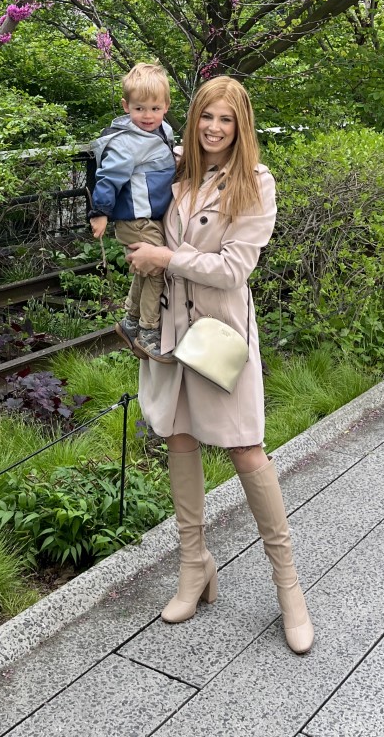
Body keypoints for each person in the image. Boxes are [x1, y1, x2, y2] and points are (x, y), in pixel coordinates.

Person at [127, 75, 314, 654]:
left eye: (225, 120)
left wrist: (166, 256)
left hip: (219, 336)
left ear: (241, 126)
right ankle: (194, 565)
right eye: (206, 116)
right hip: (170, 330)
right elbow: (120, 158)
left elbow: (235, 268)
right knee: (178, 438)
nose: (213, 128)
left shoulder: (256, 183)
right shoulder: (173, 165)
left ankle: (289, 587)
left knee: (244, 447)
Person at [89, 62, 177, 364]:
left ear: (166, 106)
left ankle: (130, 320)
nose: (148, 116)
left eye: (155, 108)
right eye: (140, 109)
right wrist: (100, 212)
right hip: (136, 219)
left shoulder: (162, 130)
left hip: (148, 218)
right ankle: (148, 331)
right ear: (126, 106)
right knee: (158, 270)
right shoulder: (128, 141)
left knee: (146, 268)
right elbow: (108, 177)